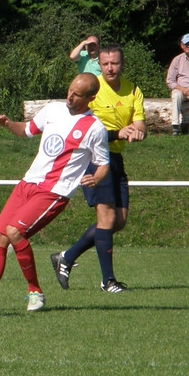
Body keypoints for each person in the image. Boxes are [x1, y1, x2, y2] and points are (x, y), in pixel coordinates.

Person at [0, 73, 109, 313]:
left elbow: (103, 163)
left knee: (15, 231)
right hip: (28, 183)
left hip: (54, 190)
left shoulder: (95, 128)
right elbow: (27, 130)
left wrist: (95, 178)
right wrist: (8, 124)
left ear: (91, 98)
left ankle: (35, 292)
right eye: (70, 90)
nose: (70, 96)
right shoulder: (53, 110)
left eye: (77, 95)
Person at [49, 45, 146, 293]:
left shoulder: (133, 90)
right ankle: (108, 281)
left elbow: (139, 124)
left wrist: (137, 132)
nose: (110, 68)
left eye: (115, 63)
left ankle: (66, 257)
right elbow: (83, 128)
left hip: (116, 159)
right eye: (105, 64)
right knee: (106, 218)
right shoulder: (91, 90)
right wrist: (117, 133)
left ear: (122, 64)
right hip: (93, 160)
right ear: (99, 65)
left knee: (118, 221)